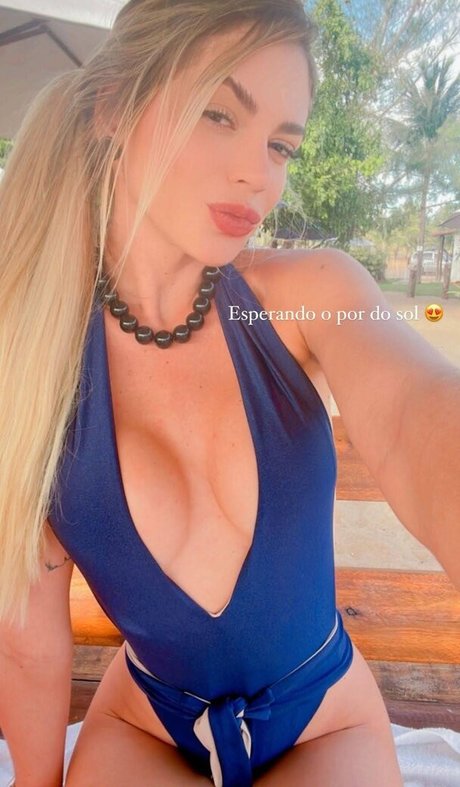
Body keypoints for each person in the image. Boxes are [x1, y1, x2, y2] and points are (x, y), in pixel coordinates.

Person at [1, 1, 459, 785]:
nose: (260, 174)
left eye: (281, 145)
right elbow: (26, 633)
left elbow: (417, 414)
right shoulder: (32, 361)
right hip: (145, 721)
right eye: (219, 114)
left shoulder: (309, 294)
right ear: (113, 106)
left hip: (324, 716)